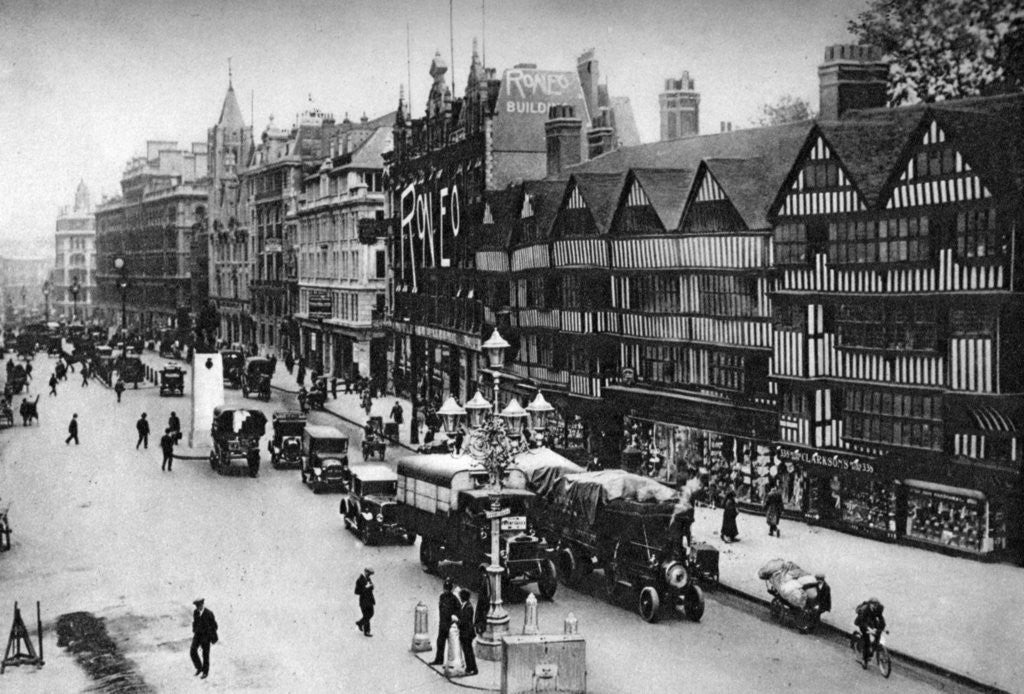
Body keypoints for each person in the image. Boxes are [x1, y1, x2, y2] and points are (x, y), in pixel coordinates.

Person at [429, 578, 460, 666]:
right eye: (445, 588)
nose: (446, 590)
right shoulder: (442, 597)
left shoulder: (454, 599)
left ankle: (450, 663)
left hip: (450, 625)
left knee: (451, 645)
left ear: (450, 589)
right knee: (440, 642)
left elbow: (458, 611)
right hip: (442, 624)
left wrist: (454, 619)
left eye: (447, 588)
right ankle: (439, 660)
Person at [190, 598, 218, 679]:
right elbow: (195, 622)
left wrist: (210, 635)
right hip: (197, 635)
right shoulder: (195, 612)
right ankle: (199, 667)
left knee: (205, 655)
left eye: (199, 605)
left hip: (206, 636)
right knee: (192, 651)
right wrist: (194, 629)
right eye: (196, 606)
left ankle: (205, 672)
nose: (198, 607)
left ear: (202, 604)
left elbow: (215, 626)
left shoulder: (209, 613)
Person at [854, 598, 886, 668]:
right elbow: (862, 621)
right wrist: (869, 629)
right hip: (862, 621)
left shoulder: (879, 608)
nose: (875, 606)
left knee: (878, 635)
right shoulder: (865, 609)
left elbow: (881, 619)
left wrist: (882, 628)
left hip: (871, 620)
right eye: (873, 604)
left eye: (876, 605)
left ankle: (872, 650)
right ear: (870, 604)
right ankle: (864, 660)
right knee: (867, 641)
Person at [458, 589, 478, 675]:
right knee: (467, 651)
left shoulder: (468, 607)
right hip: (465, 633)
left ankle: (472, 668)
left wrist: (457, 621)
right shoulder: (465, 605)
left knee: (468, 652)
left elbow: (465, 621)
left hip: (467, 633)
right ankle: (469, 668)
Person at [354, 567, 375, 637]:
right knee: (367, 615)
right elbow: (356, 591)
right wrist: (366, 588)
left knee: (369, 614)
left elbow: (371, 588)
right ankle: (365, 629)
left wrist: (371, 587)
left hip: (370, 600)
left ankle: (361, 625)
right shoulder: (359, 580)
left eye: (370, 574)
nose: (370, 575)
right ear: (366, 572)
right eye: (369, 573)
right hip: (364, 601)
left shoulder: (368, 579)